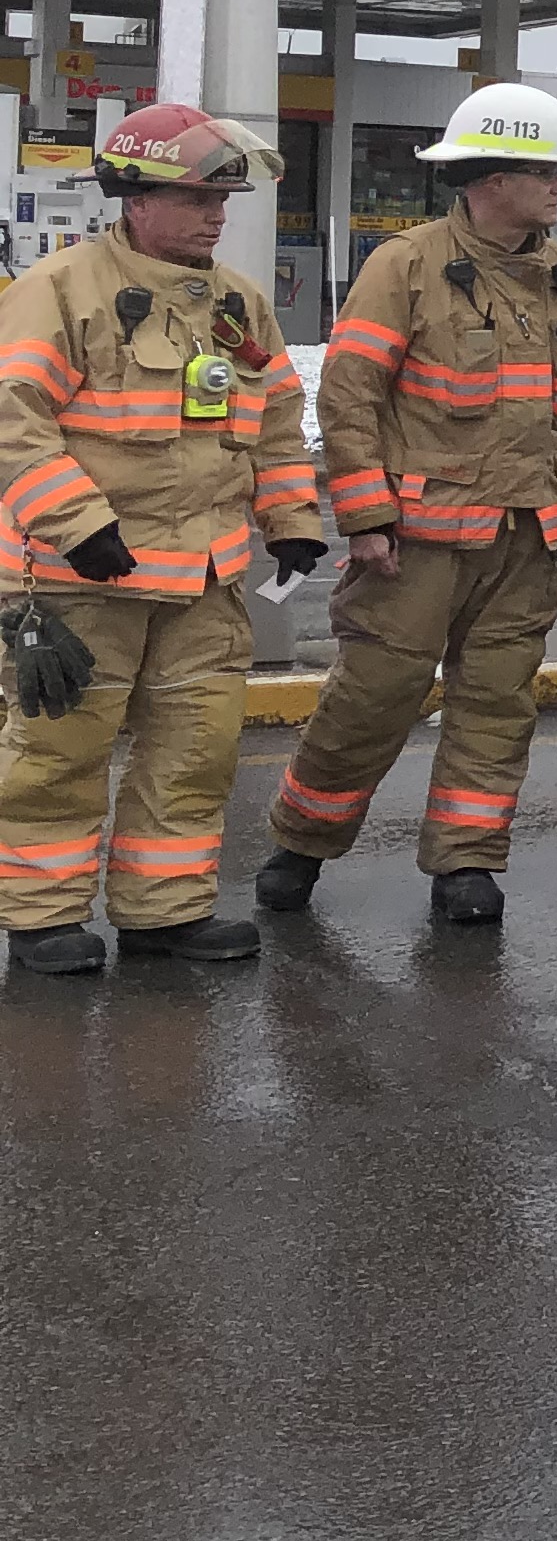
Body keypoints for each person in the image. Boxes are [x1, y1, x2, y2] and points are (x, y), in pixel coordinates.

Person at [255, 82, 557, 929]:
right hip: (416, 542)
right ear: (493, 179)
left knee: (498, 705)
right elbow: (350, 396)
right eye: (547, 174)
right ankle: (299, 844)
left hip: (527, 539)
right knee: (372, 698)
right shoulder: (408, 265)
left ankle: (467, 864)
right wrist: (368, 515)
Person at [0, 105, 324, 976]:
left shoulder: (235, 302)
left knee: (196, 751)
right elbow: (13, 419)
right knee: (57, 756)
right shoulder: (61, 288)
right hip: (80, 581)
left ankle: (164, 913)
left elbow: (277, 421)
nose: (217, 216)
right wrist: (80, 525)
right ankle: (39, 918)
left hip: (203, 584)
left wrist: (291, 521)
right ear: (135, 199)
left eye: (224, 199)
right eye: (195, 199)